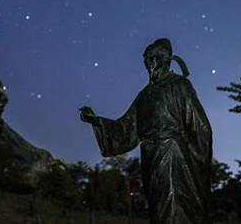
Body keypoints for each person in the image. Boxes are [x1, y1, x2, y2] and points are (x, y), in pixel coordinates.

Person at [79, 38, 212, 224]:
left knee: (173, 206)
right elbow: (126, 128)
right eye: (146, 59)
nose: (148, 64)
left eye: (152, 58)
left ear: (163, 59)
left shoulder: (180, 85)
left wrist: (196, 162)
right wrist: (97, 122)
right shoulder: (144, 95)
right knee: (158, 207)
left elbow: (200, 127)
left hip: (173, 156)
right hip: (150, 158)